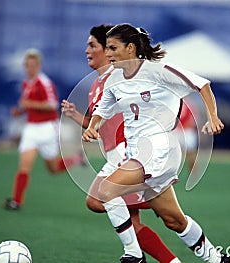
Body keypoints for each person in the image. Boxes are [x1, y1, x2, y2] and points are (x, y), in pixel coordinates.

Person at [82, 23, 230, 263]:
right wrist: (92, 126)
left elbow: (202, 84)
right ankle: (218, 260)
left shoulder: (158, 71)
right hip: (138, 155)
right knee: (174, 220)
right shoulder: (114, 79)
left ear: (130, 48)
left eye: (112, 48)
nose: (107, 53)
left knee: (106, 192)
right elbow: (104, 107)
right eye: (106, 48)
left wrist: (213, 116)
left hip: (159, 150)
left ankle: (134, 254)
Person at [61, 24, 180, 263]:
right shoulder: (98, 84)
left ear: (107, 51)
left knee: (96, 199)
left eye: (93, 45)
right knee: (133, 224)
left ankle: (155, 198)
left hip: (126, 154)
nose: (87, 50)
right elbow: (101, 122)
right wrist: (80, 119)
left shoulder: (118, 79)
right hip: (116, 154)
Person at [4, 48, 84, 210]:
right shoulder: (26, 83)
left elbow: (52, 104)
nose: (30, 68)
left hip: (47, 128)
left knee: (53, 169)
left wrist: (29, 104)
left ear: (38, 66)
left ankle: (76, 159)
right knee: (24, 164)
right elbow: (27, 105)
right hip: (31, 128)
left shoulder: (44, 82)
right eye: (27, 65)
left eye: (33, 65)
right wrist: (19, 111)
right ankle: (16, 201)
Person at [174, 100, 199, 173]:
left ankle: (193, 171)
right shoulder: (172, 104)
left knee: (190, 153)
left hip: (186, 130)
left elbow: (192, 120)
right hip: (177, 130)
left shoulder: (188, 105)